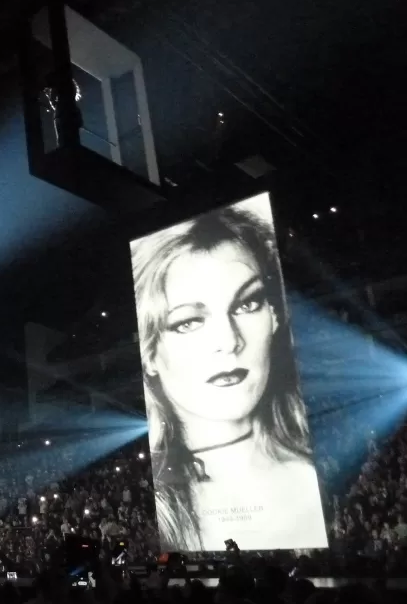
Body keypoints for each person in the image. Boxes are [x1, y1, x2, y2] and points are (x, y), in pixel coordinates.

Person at [131, 204, 328, 552]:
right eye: (187, 322)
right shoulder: (154, 511)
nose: (228, 342)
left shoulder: (315, 481)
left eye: (247, 304)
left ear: (275, 317)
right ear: (150, 354)